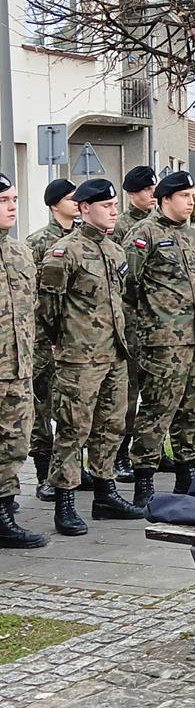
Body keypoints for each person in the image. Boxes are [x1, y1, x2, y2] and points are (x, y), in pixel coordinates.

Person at [38, 178, 144, 536]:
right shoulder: (64, 252)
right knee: (73, 428)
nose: (114, 211)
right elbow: (48, 308)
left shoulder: (114, 251)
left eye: (115, 206)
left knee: (111, 425)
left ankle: (105, 493)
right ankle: (65, 501)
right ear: (84, 208)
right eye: (106, 206)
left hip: (114, 352)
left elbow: (120, 299)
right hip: (79, 356)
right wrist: (64, 342)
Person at [123, 171, 195, 505]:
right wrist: (152, 323)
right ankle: (144, 479)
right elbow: (127, 286)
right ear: (165, 199)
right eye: (184, 196)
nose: (191, 202)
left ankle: (187, 473)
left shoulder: (191, 235)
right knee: (157, 410)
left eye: (193, 196)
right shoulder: (143, 233)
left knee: (193, 408)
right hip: (164, 341)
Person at [0, 173, 49, 548]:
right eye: (4, 201)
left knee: (15, 443)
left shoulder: (20, 253)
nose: (12, 206)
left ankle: (4, 511)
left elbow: (33, 308)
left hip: (18, 368)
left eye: (14, 199)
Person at [25, 178, 79, 502]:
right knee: (41, 405)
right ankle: (43, 472)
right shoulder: (38, 242)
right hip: (44, 340)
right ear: (55, 204)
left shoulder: (83, 239)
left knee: (71, 406)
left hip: (75, 338)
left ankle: (71, 469)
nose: (77, 202)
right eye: (71, 198)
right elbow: (33, 293)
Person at [112, 165, 159, 483]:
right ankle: (120, 454)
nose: (152, 195)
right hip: (130, 320)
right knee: (128, 392)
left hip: (155, 322)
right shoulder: (120, 227)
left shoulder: (160, 223)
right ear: (131, 194)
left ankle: (151, 448)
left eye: (154, 188)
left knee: (155, 391)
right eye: (146, 190)